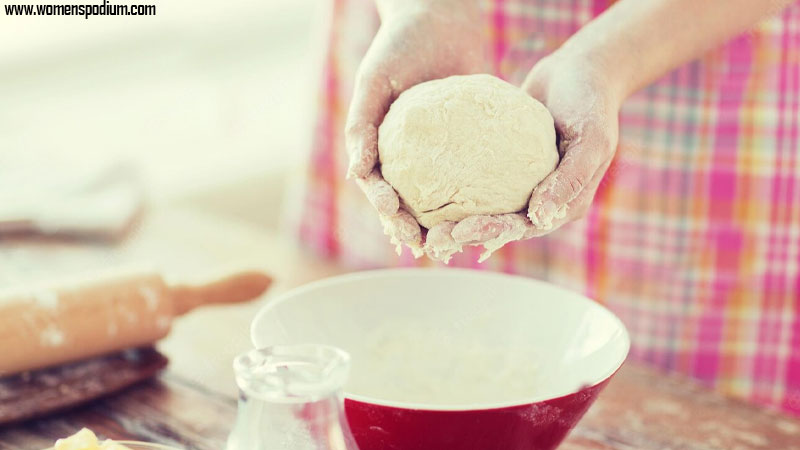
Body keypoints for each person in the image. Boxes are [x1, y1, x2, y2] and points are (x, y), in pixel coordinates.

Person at [293, 0, 800, 415]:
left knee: (660, 408)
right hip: (410, 40)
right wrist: (427, 12)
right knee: (401, 366)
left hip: (688, 46)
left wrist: (610, 56)